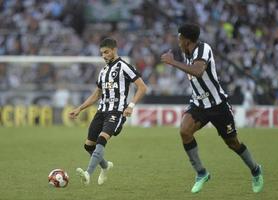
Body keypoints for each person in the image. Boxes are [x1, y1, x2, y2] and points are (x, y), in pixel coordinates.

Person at [161, 23, 263, 194]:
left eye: (179, 37)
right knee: (185, 131)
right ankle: (201, 173)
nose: (177, 40)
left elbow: (198, 71)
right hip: (199, 104)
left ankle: (255, 169)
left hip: (218, 105)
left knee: (232, 143)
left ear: (186, 39)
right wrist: (174, 58)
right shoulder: (186, 51)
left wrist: (173, 62)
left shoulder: (204, 49)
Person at [69, 37, 147, 185]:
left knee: (101, 140)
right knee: (88, 146)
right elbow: (96, 95)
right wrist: (79, 108)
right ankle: (105, 167)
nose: (104, 56)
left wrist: (130, 106)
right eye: (102, 53)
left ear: (114, 50)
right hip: (101, 111)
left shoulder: (124, 66)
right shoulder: (103, 71)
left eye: (106, 52)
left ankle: (88, 174)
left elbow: (142, 87)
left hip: (116, 112)